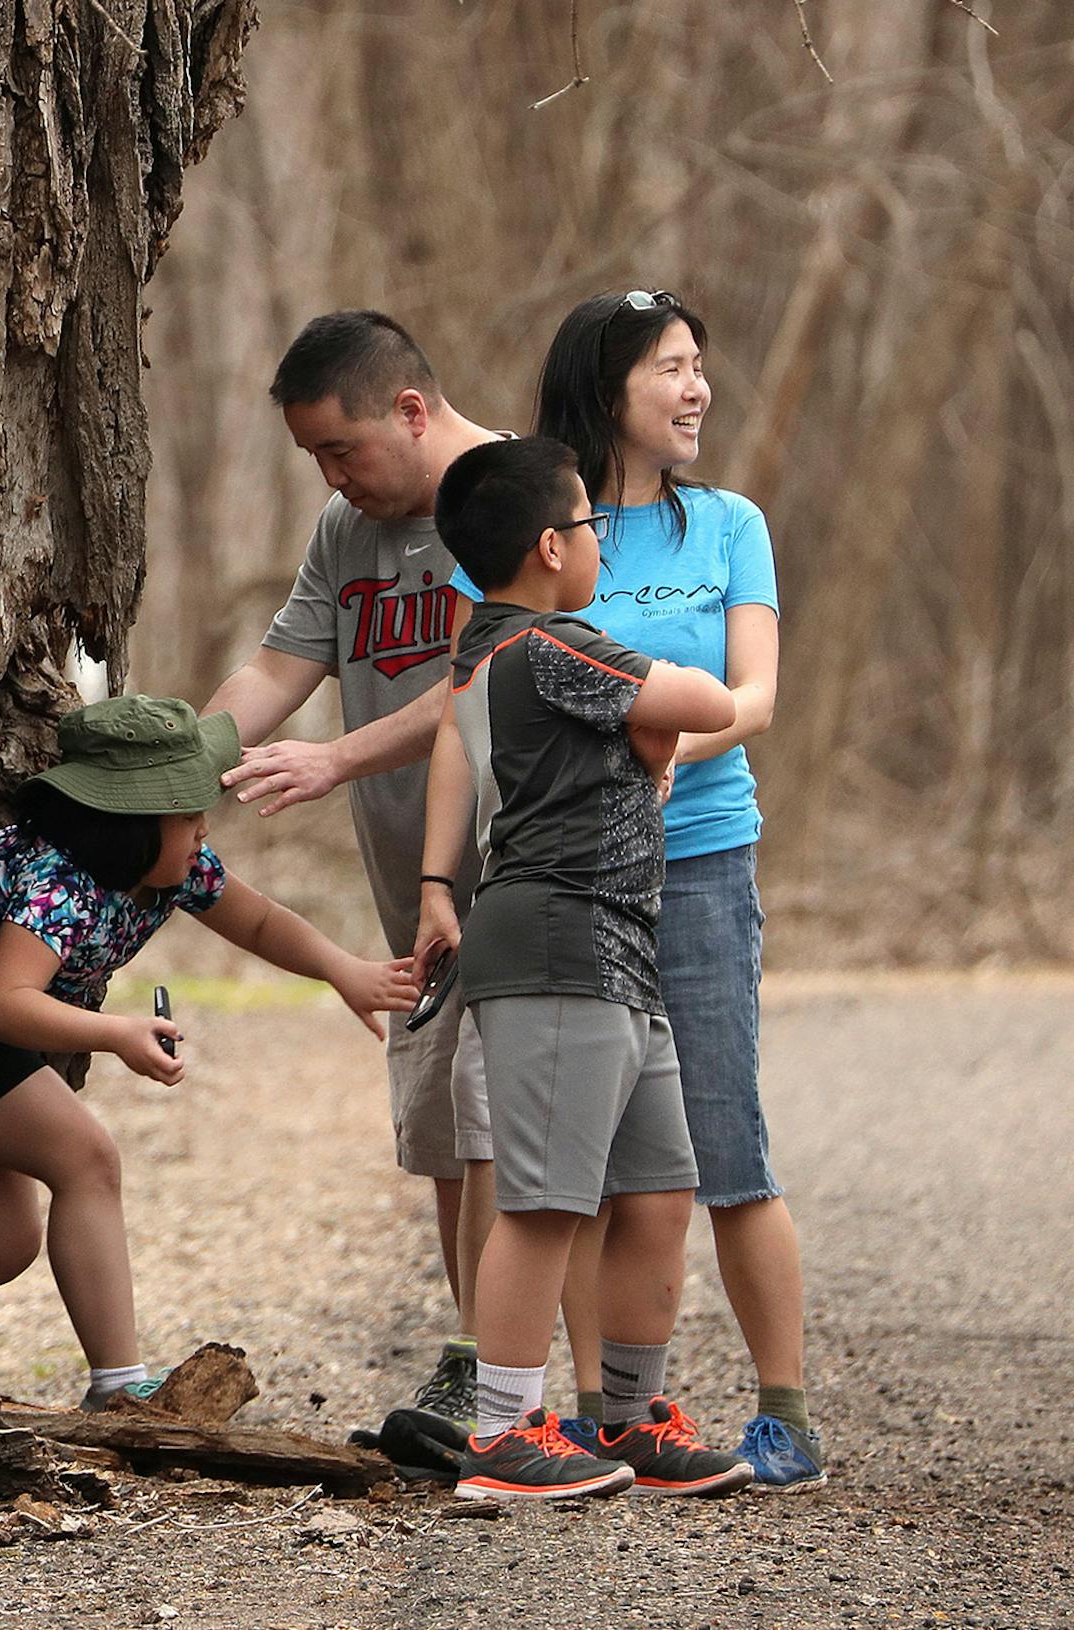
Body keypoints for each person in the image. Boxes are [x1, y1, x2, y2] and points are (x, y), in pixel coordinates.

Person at [0, 695, 421, 1411]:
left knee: (0, 1240)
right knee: (87, 1157)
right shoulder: (57, 882)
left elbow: (257, 920)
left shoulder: (173, 866)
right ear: (130, 819)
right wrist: (117, 1032)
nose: (201, 829)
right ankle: (119, 1387)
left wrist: (342, 969)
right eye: (187, 813)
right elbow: (4, 1004)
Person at [512, 289, 819, 1491]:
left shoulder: (731, 523)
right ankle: (601, 1416)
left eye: (701, 364)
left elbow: (754, 698)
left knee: (727, 1148)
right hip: (576, 876)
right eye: (671, 369)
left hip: (699, 863)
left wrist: (663, 747)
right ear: (608, 390)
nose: (696, 389)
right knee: (586, 1160)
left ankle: (784, 1412)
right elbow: (500, 666)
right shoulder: (552, 525)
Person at [421, 436, 750, 1500]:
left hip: (617, 941)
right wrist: (665, 718)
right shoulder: (547, 645)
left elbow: (649, 738)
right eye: (593, 527)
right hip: (559, 938)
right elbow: (708, 702)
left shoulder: (501, 647)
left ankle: (625, 1414)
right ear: (552, 545)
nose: (602, 546)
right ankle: (505, 1433)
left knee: (658, 1184)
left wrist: (647, 745)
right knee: (548, 1199)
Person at [204, 311, 503, 1427]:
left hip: (513, 869)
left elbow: (486, 669)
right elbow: (281, 665)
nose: (333, 476)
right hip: (405, 890)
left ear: (412, 411)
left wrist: (335, 755)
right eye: (316, 458)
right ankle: (479, 1360)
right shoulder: (347, 528)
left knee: (491, 1116)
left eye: (344, 449)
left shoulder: (514, 495)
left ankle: (491, 1367)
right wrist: (176, 763)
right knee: (442, 1134)